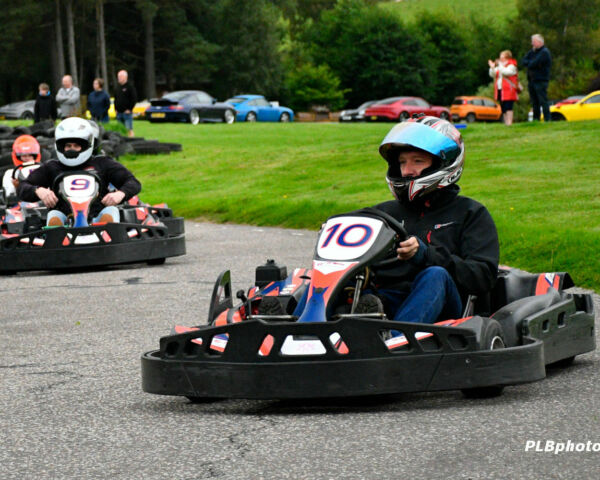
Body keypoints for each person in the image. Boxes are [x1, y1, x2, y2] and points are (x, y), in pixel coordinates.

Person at [361, 116, 499, 326]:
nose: (407, 170)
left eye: (418, 161)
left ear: (443, 163)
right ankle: (302, 332)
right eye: (402, 162)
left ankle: (397, 341)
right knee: (331, 277)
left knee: (435, 275)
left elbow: (483, 276)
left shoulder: (470, 213)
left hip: (446, 312)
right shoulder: (382, 213)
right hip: (388, 301)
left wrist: (425, 254)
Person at [17, 117, 141, 226]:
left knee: (111, 212)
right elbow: (22, 187)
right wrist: (39, 191)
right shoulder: (52, 167)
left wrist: (120, 194)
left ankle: (107, 233)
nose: (72, 149)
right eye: (68, 146)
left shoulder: (102, 163)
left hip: (97, 218)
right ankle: (57, 236)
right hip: (65, 221)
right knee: (54, 215)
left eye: (76, 146)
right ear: (61, 147)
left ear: (87, 145)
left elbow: (133, 182)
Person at [2, 135, 42, 202]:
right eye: (24, 155)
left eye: (30, 155)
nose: (27, 158)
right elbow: (9, 196)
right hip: (20, 204)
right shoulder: (11, 173)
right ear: (18, 156)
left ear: (35, 156)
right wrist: (16, 187)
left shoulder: (42, 169)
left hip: (41, 201)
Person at [522, 34, 552, 122]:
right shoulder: (532, 52)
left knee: (543, 100)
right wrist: (530, 63)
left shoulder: (544, 52)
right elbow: (524, 61)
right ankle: (536, 118)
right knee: (534, 101)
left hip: (541, 80)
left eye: (534, 42)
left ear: (539, 42)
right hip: (532, 80)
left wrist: (530, 63)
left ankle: (547, 118)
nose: (532, 44)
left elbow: (534, 63)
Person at [488, 50, 519, 126]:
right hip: (500, 89)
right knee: (503, 106)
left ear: (507, 57)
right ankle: (506, 122)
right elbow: (493, 75)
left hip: (509, 89)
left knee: (509, 106)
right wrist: (492, 68)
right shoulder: (500, 66)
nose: (500, 58)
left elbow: (506, 72)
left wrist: (500, 65)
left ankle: (509, 122)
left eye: (502, 56)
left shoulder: (512, 65)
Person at [114, 70, 137, 137]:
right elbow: (116, 99)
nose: (119, 78)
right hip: (119, 113)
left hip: (126, 113)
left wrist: (130, 109)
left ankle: (132, 141)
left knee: (129, 129)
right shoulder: (117, 88)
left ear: (125, 77)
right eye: (118, 76)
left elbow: (134, 99)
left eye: (120, 76)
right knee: (120, 130)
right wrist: (115, 109)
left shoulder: (130, 87)